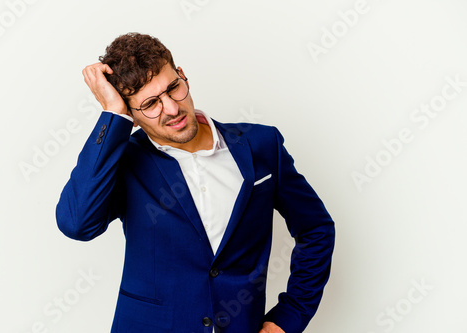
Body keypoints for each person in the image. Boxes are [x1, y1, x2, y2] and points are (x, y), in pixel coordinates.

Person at [56, 32, 335, 333]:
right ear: (132, 115)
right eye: (150, 104)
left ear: (182, 76)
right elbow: (77, 224)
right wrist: (112, 116)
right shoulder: (125, 162)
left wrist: (288, 317)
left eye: (173, 88)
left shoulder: (261, 145)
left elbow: (316, 228)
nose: (173, 109)